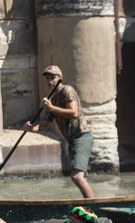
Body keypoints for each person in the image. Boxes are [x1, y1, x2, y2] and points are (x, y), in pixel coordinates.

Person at [24, 66, 95, 197]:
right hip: (72, 140)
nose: (50, 81)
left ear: (60, 78)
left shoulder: (67, 90)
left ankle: (93, 209)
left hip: (82, 136)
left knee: (77, 176)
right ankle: (89, 203)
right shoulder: (53, 99)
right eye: (47, 78)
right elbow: (45, 124)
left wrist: (51, 108)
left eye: (53, 78)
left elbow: (74, 113)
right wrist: (32, 129)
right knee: (78, 176)